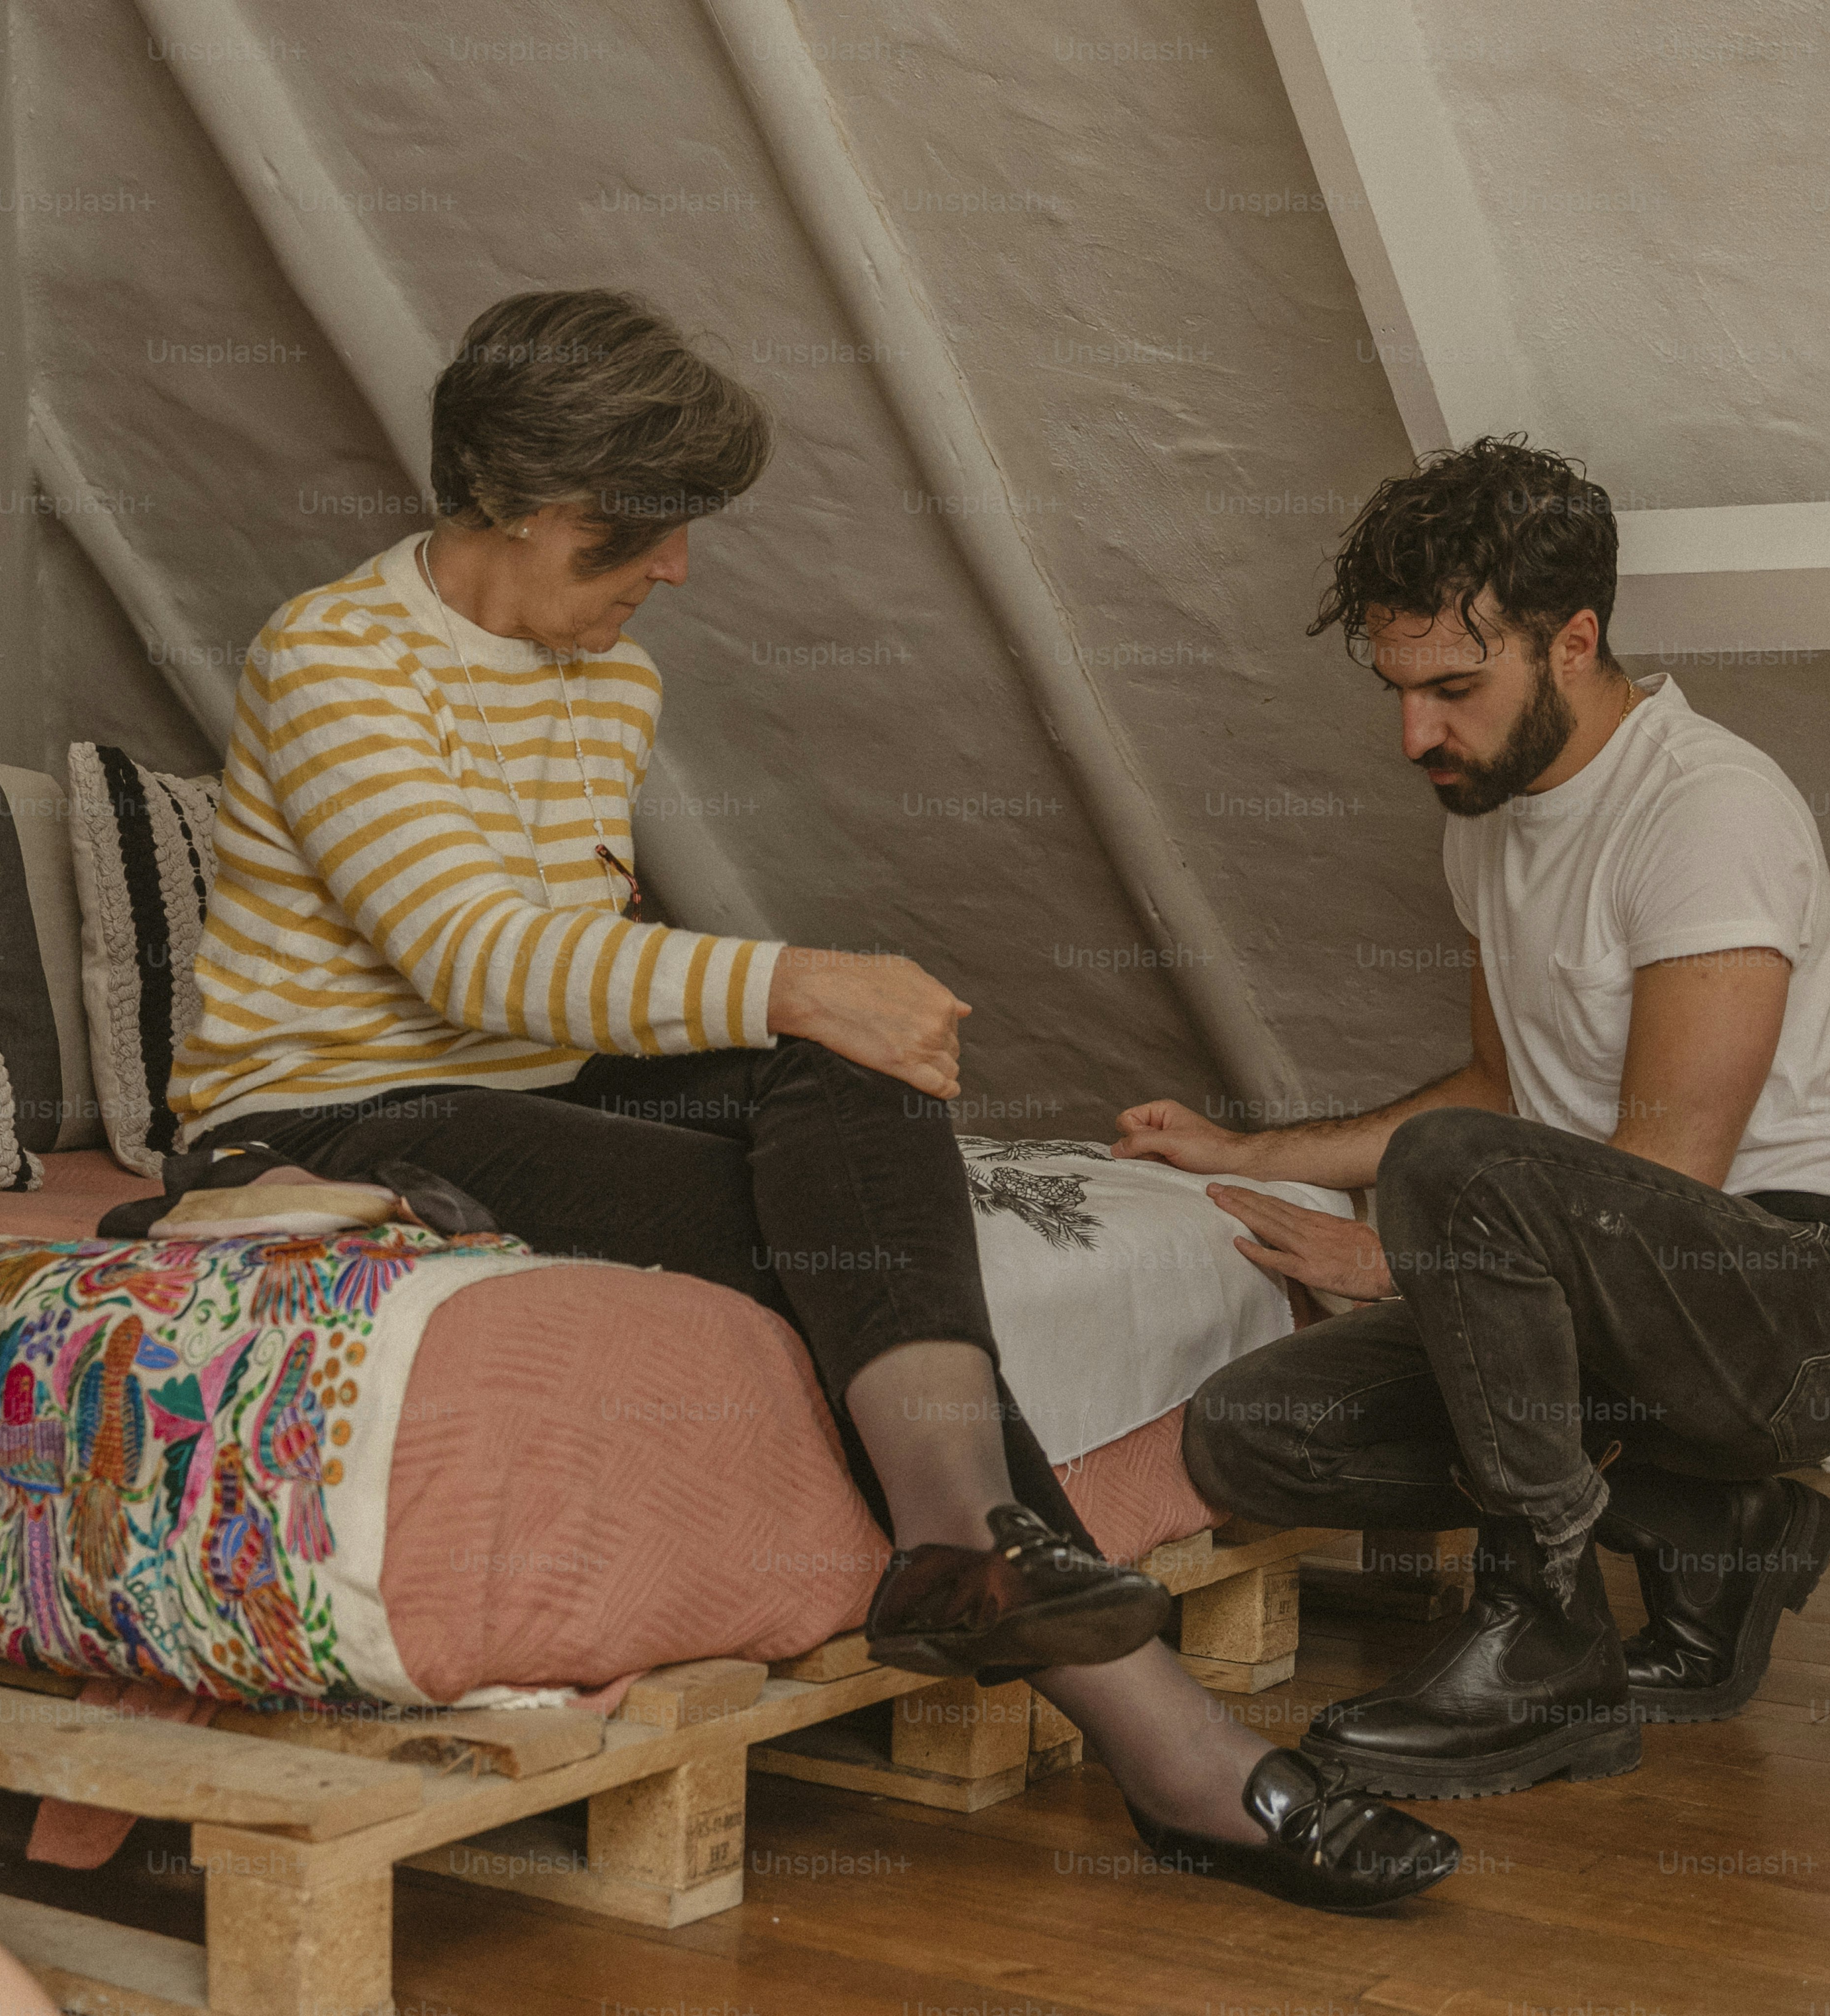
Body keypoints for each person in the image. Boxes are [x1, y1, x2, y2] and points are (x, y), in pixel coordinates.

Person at [173, 287, 1456, 1909]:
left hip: (522, 1085)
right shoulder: (333, 655)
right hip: (330, 1110)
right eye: (641, 531)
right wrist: (795, 979)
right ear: (517, 501)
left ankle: (963, 1546)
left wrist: (818, 1017)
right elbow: (472, 956)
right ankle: (1156, 1728)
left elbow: (574, 976)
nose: (675, 569)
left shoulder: (609, 678)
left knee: (853, 1076)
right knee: (825, 1157)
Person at [1120, 437, 1830, 1799]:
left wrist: (1404, 1260)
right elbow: (1498, 1090)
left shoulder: (1707, 808)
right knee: (1254, 1430)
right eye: (1399, 690)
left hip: (1796, 1300)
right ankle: (1716, 1530)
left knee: (1455, 1177)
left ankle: (1547, 1645)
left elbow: (1670, 1174)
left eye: (1452, 689)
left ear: (1573, 641)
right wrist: (1244, 1151)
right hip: (1595, 1298)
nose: (1415, 735)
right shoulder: (1484, 819)